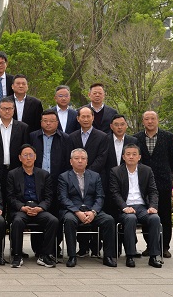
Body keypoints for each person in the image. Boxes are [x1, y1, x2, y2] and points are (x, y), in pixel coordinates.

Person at [58, 148, 117, 268]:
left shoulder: (95, 176)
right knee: (69, 220)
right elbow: (63, 198)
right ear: (71, 161)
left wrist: (93, 212)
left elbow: (100, 196)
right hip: (72, 211)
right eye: (76, 158)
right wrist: (77, 211)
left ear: (87, 161)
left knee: (109, 220)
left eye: (83, 158)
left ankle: (108, 256)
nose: (80, 161)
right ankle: (72, 256)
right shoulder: (64, 177)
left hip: (91, 210)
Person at [109, 144, 163, 268]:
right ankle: (130, 255)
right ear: (123, 157)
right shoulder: (116, 171)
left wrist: (153, 206)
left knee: (155, 218)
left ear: (139, 157)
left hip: (142, 207)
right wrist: (124, 207)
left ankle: (154, 256)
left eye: (134, 154)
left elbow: (153, 191)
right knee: (130, 218)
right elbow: (115, 193)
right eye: (128, 154)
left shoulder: (146, 170)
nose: (131, 157)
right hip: (125, 208)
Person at [134, 110, 173, 258]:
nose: (150, 121)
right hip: (143, 183)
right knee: (147, 214)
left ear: (157, 120)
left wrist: (165, 172)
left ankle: (164, 246)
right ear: (143, 121)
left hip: (163, 183)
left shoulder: (168, 137)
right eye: (147, 119)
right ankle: (150, 245)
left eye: (152, 118)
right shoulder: (137, 138)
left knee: (164, 215)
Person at [7, 144, 58, 268]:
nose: (28, 158)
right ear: (20, 158)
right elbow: (10, 197)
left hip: (39, 208)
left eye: (31, 155)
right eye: (25, 155)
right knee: (17, 221)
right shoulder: (12, 174)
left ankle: (44, 255)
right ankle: (17, 255)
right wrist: (22, 207)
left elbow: (48, 197)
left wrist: (40, 208)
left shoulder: (44, 174)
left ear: (35, 157)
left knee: (53, 220)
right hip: (21, 209)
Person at [68, 106, 109, 257]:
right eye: (82, 117)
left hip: (96, 178)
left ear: (93, 118)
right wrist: (79, 171)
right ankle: (83, 246)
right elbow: (71, 157)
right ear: (77, 119)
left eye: (88, 116)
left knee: (94, 211)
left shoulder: (102, 136)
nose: (85, 119)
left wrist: (87, 172)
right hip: (76, 179)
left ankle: (96, 247)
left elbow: (102, 158)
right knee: (80, 208)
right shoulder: (71, 137)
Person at [0, 97, 29, 191]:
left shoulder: (23, 127)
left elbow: (25, 149)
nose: (7, 111)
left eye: (10, 108)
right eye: (4, 108)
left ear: (14, 110)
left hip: (16, 169)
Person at [103, 114, 137, 216]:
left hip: (126, 181)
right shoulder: (104, 139)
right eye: (116, 125)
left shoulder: (133, 141)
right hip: (108, 181)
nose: (119, 127)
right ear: (111, 126)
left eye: (122, 124)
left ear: (126, 125)